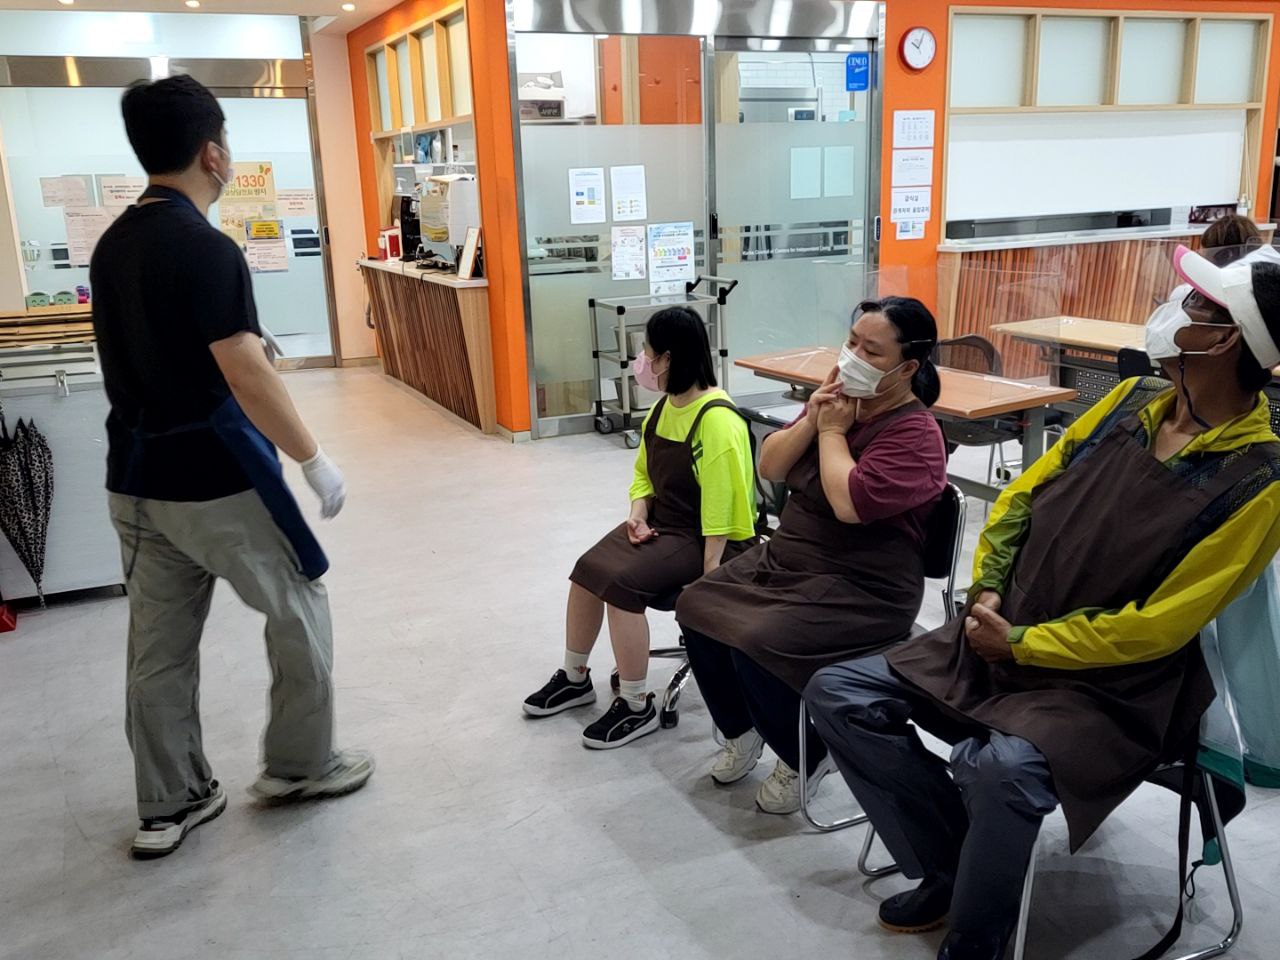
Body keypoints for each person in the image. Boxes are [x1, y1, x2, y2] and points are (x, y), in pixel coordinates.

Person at [804, 246, 1280, 960]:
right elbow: (1024, 496)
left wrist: (1025, 645)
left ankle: (978, 939)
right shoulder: (1127, 405)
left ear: (1225, 340)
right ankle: (954, 862)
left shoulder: (1258, 482)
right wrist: (991, 583)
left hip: (1113, 689)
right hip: (1004, 628)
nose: (1172, 313)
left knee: (1000, 769)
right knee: (839, 692)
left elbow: (1159, 627)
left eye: (1195, 307)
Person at [92, 76, 373, 860]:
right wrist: (313, 460)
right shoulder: (205, 248)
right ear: (213, 152)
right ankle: (299, 766)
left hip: (134, 481)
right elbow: (245, 369)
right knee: (299, 605)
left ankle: (168, 803)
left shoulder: (113, 244)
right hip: (214, 479)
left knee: (157, 646)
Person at [675, 297, 948, 814]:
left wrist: (830, 433)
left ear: (907, 367)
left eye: (872, 351)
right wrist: (814, 417)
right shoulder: (838, 401)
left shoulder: (916, 434)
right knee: (697, 604)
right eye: (851, 343)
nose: (853, 358)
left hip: (863, 585)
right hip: (790, 559)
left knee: (757, 639)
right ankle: (743, 730)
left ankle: (806, 755)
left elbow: (849, 503)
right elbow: (771, 466)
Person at [523, 306, 757, 749]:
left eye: (646, 352)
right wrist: (638, 511)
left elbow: (722, 510)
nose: (642, 361)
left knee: (622, 584)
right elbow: (644, 474)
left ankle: (636, 704)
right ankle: (575, 678)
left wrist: (709, 581)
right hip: (664, 523)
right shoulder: (664, 409)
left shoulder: (718, 420)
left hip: (712, 540)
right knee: (588, 569)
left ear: (667, 358)